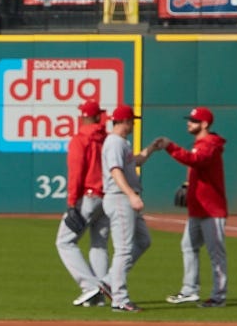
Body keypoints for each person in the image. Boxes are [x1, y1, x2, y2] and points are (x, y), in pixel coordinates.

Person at [155, 106, 229, 307]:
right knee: (188, 246)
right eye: (190, 120)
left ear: (204, 124)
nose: (189, 123)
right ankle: (190, 290)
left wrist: (171, 146)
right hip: (197, 208)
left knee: (216, 254)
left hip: (212, 209)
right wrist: (189, 184)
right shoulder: (201, 143)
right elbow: (198, 167)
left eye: (194, 121)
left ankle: (218, 296)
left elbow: (196, 160)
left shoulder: (210, 144)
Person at [102, 103, 160, 312]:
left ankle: (109, 282)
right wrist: (131, 195)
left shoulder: (122, 142)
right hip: (120, 198)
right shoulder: (115, 143)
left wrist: (152, 148)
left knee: (143, 241)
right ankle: (119, 299)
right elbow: (115, 171)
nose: (134, 124)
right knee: (124, 250)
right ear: (125, 121)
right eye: (132, 121)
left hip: (125, 198)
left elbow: (135, 161)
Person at [56, 98, 111, 306]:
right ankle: (99, 295)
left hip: (87, 197)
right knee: (99, 245)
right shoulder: (107, 138)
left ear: (83, 116)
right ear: (98, 116)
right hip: (106, 197)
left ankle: (90, 287)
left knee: (64, 241)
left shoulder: (80, 139)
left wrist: (71, 202)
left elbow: (76, 172)